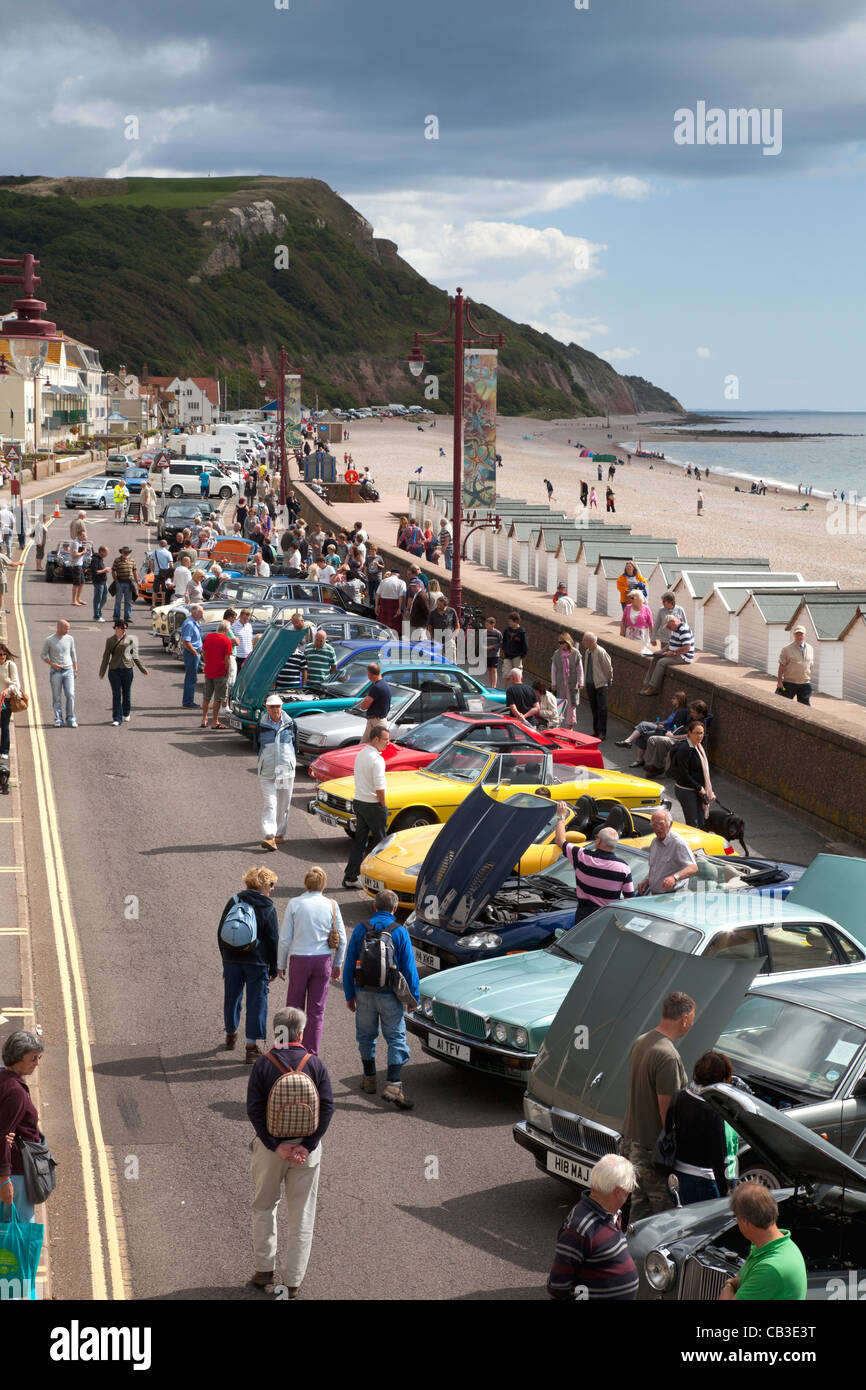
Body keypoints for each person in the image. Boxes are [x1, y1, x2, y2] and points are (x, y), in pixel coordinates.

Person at [246, 1004, 335, 1297]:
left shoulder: (263, 1064)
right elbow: (328, 1108)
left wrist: (276, 1146)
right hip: (306, 1153)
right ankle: (293, 1281)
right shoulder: (315, 1064)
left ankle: (263, 1270)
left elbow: (255, 1109)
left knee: (264, 1207)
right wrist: (306, 1146)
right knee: (301, 1216)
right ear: (302, 1031)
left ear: (276, 1032)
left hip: (271, 1151)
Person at [343, 887, 420, 1109]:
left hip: (364, 992)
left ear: (375, 906)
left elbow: (350, 964)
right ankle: (394, 1085)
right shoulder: (399, 932)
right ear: (395, 909)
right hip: (389, 995)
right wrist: (412, 997)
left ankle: (369, 1080)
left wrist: (350, 994)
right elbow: (409, 968)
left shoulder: (360, 929)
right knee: (396, 1038)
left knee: (366, 1036)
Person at [622, 991, 695, 1221]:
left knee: (637, 1216)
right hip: (654, 1155)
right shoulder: (667, 1056)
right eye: (691, 1020)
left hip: (633, 1145)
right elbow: (668, 1113)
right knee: (662, 1222)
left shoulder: (642, 1041)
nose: (690, 1025)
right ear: (684, 1019)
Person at [546, 1154, 639, 1301]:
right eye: (628, 1192)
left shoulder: (610, 1214)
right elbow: (558, 1284)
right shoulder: (579, 1228)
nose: (628, 1197)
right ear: (618, 1192)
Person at [278, 866, 346, 1056]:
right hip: (322, 960)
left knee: (292, 1009)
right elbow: (342, 938)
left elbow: (284, 939)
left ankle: (287, 1050)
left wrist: (281, 964)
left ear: (306, 883)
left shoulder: (294, 904)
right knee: (316, 1012)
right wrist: (337, 963)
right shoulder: (332, 905)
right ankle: (310, 1055)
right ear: (323, 883)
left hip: (299, 960)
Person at [219, 864, 279, 1061]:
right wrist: (273, 967)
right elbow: (272, 940)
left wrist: (225, 957)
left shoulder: (234, 900)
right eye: (271, 884)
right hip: (257, 962)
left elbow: (221, 932)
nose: (272, 888)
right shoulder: (268, 907)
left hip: (232, 959)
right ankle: (251, 1047)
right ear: (264, 885)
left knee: (232, 997)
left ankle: (230, 1033)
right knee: (256, 1003)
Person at [663, 1051, 731, 1204]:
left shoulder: (678, 1097)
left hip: (674, 1179)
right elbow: (719, 1157)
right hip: (702, 1184)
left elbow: (668, 1133)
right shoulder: (714, 1112)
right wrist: (726, 1194)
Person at [719, 1185, 807, 1301]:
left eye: (736, 1218)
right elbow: (740, 1279)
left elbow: (735, 1283)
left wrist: (728, 1285)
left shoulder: (770, 1268)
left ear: (745, 1222)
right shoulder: (770, 1244)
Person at [0, 1029, 47, 1233]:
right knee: (19, 1231)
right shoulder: (15, 1091)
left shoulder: (4, 1078)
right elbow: (2, 1134)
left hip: (12, 1169)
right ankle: (20, 1266)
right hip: (16, 1171)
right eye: (33, 1058)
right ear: (18, 1058)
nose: (37, 1063)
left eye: (39, 1057)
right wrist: (5, 1179)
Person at [554, 806, 635, 923]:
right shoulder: (624, 868)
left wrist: (561, 817)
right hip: (608, 918)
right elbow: (629, 900)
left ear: (598, 841)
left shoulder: (582, 856)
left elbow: (560, 840)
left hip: (584, 916)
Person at [343, 725, 390, 889]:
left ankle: (350, 876)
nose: (388, 743)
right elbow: (380, 789)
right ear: (376, 739)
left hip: (359, 802)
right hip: (373, 805)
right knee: (382, 844)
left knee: (360, 841)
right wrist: (383, 807)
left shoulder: (361, 754)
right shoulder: (377, 759)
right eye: (385, 740)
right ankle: (383, 881)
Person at [257, 693, 295, 851]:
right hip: (267, 770)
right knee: (270, 804)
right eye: (271, 706)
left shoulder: (291, 724)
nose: (274, 709)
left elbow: (295, 743)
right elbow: (257, 745)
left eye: (277, 706)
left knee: (283, 804)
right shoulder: (261, 725)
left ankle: (280, 833)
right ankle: (269, 836)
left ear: (281, 707)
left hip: (284, 770)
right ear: (266, 707)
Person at [616, 690, 689, 767]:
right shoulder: (676, 710)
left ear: (679, 700)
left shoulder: (682, 712)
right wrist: (658, 723)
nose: (672, 700)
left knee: (643, 724)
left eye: (674, 698)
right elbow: (668, 721)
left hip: (668, 733)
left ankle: (628, 741)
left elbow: (677, 728)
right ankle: (639, 760)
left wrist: (662, 726)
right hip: (664, 728)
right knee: (643, 734)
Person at [98, 619, 148, 725]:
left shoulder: (130, 640)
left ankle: (126, 713)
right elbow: (106, 657)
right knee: (116, 694)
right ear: (116, 628)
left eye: (126, 628)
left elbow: (135, 656)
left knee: (127, 693)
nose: (124, 630)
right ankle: (117, 718)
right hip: (114, 671)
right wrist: (102, 672)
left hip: (127, 670)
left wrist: (142, 668)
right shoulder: (110, 640)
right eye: (122, 628)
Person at [638, 808, 698, 895]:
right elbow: (656, 868)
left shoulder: (678, 843)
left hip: (673, 896)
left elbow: (693, 868)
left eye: (661, 824)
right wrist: (647, 880)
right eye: (654, 825)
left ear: (670, 824)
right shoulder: (654, 842)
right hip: (655, 896)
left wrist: (674, 878)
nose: (658, 828)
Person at [669, 721, 715, 828]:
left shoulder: (699, 747)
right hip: (686, 790)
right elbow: (683, 774)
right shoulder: (685, 749)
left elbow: (704, 772)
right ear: (689, 733)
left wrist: (709, 791)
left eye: (701, 733)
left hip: (698, 790)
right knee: (693, 824)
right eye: (696, 733)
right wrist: (700, 788)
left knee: (702, 822)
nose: (699, 736)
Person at [639, 614, 694, 695]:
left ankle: (653, 688)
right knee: (655, 659)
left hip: (683, 656)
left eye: (668, 626)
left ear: (673, 622)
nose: (668, 628)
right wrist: (661, 651)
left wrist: (674, 653)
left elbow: (687, 647)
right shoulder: (675, 629)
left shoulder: (683, 629)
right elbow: (670, 643)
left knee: (661, 662)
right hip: (674, 654)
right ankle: (646, 685)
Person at [41, 619, 78, 727]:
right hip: (55, 672)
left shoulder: (70, 638)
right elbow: (43, 655)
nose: (68, 630)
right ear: (59, 627)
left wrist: (76, 669)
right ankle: (58, 719)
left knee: (70, 695)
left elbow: (73, 653)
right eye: (66, 628)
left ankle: (71, 718)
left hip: (69, 670)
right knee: (57, 697)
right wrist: (52, 664)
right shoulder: (49, 640)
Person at [201, 619, 234, 730]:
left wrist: (208, 663)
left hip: (209, 670)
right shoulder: (227, 640)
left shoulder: (209, 637)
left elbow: (204, 653)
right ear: (226, 630)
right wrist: (228, 670)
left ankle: (204, 719)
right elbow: (227, 659)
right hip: (220, 672)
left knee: (207, 696)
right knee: (218, 698)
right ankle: (214, 721)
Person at [580, 631, 613, 740]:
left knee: (602, 709)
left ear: (591, 642)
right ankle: (596, 730)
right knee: (594, 708)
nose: (582, 642)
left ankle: (602, 733)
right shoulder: (588, 652)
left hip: (600, 684)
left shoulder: (600, 651)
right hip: (590, 683)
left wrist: (608, 679)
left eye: (584, 640)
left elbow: (608, 668)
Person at [0, 642, 23, 793]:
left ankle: (5, 751)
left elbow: (17, 685)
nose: (1, 657)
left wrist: (8, 687)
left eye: (3, 654)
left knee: (5, 726)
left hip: (6, 702)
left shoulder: (10, 666)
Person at [776, 624, 814, 705]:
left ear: (805, 635)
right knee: (783, 704)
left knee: (805, 707)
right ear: (794, 635)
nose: (799, 636)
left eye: (801, 634)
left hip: (805, 683)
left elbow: (810, 665)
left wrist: (809, 678)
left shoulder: (810, 648)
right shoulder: (786, 649)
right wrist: (779, 682)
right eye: (797, 634)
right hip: (789, 683)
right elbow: (781, 666)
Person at [357, 662, 391, 742]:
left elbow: (363, 706)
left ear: (370, 674)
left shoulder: (376, 687)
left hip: (376, 722)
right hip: (377, 721)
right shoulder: (385, 685)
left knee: (374, 746)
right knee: (364, 745)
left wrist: (365, 700)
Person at [180, 603, 204, 708]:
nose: (202, 616)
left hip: (195, 653)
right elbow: (186, 641)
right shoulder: (189, 624)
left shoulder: (194, 622)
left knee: (192, 678)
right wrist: (195, 652)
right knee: (191, 678)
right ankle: (188, 702)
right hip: (191, 654)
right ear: (195, 613)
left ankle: (188, 701)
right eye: (201, 613)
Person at [111, 545, 139, 624]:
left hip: (129, 583)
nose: (126, 553)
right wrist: (116, 581)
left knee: (128, 601)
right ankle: (116, 617)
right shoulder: (117, 560)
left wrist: (138, 582)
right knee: (118, 601)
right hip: (120, 583)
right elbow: (113, 571)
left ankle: (127, 617)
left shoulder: (132, 560)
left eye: (127, 552)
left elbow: (135, 572)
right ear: (121, 552)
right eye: (124, 552)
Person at [428, 594, 459, 663]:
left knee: (451, 661)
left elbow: (457, 625)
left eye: (440, 605)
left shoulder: (452, 611)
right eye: (437, 604)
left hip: (449, 638)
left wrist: (454, 636)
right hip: (437, 639)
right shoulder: (433, 613)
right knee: (437, 661)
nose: (438, 606)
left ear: (446, 605)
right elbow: (429, 627)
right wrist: (432, 638)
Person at [501, 611, 529, 679]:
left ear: (516, 621)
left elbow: (525, 645)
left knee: (517, 675)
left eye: (510, 621)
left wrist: (522, 655)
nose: (509, 623)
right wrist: (505, 649)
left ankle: (517, 688)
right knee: (506, 674)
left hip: (517, 656)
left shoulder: (521, 631)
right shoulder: (507, 630)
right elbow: (504, 640)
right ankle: (505, 689)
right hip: (507, 655)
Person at [484, 616, 503, 687]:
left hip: (495, 654)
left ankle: (494, 686)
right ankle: (491, 685)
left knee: (494, 670)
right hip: (487, 654)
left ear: (493, 625)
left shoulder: (497, 633)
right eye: (485, 625)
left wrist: (493, 647)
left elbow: (501, 643)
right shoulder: (484, 633)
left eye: (487, 625)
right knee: (489, 670)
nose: (486, 626)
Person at [69, 544, 87, 608]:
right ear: (79, 535)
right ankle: (74, 601)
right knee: (76, 584)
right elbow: (74, 555)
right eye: (83, 535)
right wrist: (83, 552)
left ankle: (78, 599)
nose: (85, 537)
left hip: (79, 565)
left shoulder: (80, 542)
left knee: (82, 582)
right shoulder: (75, 543)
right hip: (76, 565)